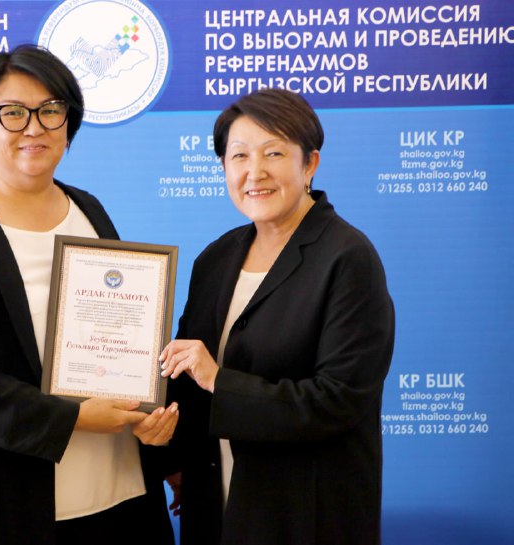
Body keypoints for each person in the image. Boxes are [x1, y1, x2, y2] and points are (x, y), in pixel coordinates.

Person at [0, 44, 178, 545]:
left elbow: (125, 342)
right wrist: (72, 419)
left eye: (50, 110)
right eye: (13, 113)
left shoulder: (88, 210)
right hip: (19, 507)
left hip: (119, 492)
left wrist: (154, 422)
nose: (34, 127)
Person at [159, 88, 395, 545]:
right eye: (239, 156)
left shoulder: (348, 258)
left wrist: (219, 380)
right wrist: (168, 451)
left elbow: (337, 401)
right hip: (215, 505)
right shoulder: (215, 259)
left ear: (309, 164)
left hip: (304, 515)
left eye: (274, 153)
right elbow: (186, 380)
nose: (255, 172)